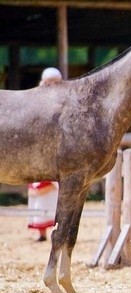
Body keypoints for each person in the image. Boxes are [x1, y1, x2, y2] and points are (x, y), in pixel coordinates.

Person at [28, 67, 62, 242]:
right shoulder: (36, 98)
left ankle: (57, 230)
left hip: (55, 150)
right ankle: (41, 232)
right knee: (38, 190)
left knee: (52, 191)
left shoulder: (63, 100)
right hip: (38, 148)